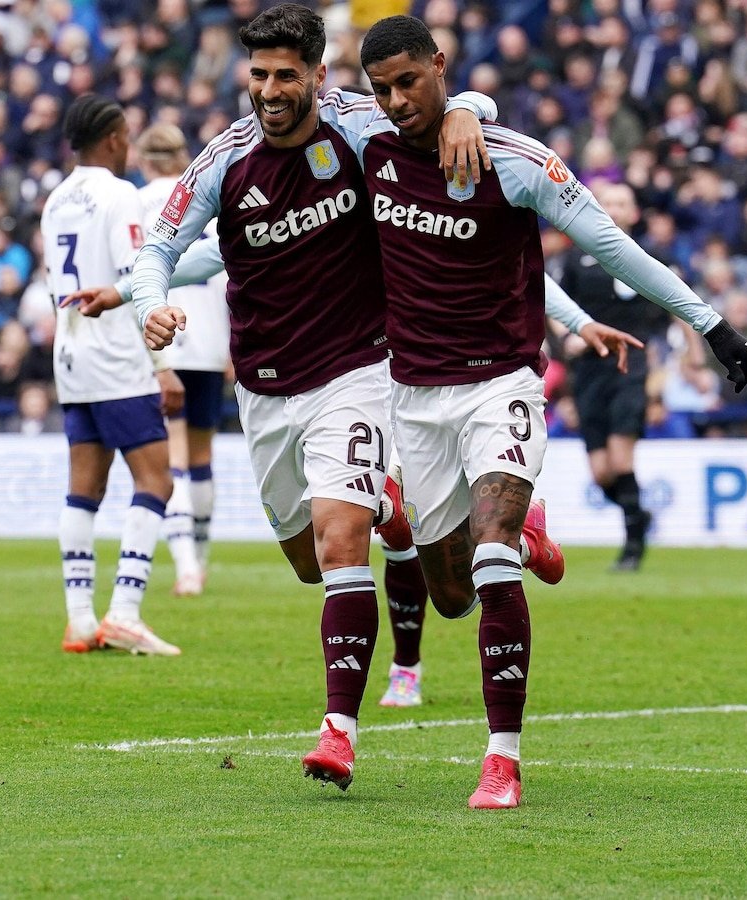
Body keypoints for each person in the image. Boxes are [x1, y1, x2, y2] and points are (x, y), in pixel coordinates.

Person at [354, 15, 747, 808]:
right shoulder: (365, 145)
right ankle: (529, 527)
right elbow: (287, 121)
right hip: (413, 395)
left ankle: (501, 760)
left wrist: (710, 323)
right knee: (448, 594)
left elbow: (614, 246)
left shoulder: (517, 164)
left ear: (439, 65)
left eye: (412, 82)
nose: (398, 101)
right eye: (383, 89)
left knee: (493, 553)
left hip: (501, 382)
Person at [123, 4, 493, 793]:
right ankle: (393, 507)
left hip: (357, 372)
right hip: (263, 388)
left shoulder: (361, 128)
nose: (270, 89)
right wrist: (148, 301)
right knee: (303, 558)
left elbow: (431, 105)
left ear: (320, 76)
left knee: (336, 548)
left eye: (287, 75)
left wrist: (465, 108)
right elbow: (157, 247)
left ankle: (339, 731)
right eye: (258, 75)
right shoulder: (225, 158)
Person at [43, 94, 183, 658]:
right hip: (117, 358)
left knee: (85, 488)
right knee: (157, 482)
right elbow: (133, 281)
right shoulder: (120, 195)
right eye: (125, 136)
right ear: (112, 139)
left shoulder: (55, 199)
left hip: (70, 355)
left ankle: (80, 619)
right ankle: (124, 611)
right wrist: (161, 365)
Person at [551, 180, 674, 571]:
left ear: (634, 213)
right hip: (587, 370)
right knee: (601, 473)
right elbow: (553, 305)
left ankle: (632, 548)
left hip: (628, 366)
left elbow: (672, 305)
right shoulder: (576, 259)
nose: (616, 209)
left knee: (621, 460)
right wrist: (567, 339)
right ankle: (639, 515)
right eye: (610, 203)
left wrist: (688, 360)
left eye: (623, 203)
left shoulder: (647, 256)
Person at [134, 122, 228, 598]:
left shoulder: (139, 204)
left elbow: (134, 275)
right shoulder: (207, 193)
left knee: (171, 456)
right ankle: (203, 554)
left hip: (162, 335)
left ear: (142, 159)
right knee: (201, 456)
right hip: (211, 338)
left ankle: (186, 566)